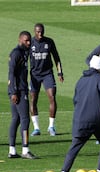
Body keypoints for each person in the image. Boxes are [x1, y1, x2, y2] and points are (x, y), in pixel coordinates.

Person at [29, 23, 64, 136]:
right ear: (35, 32)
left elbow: (56, 58)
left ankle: (51, 126)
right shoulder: (30, 43)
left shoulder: (49, 42)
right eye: (38, 32)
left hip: (47, 74)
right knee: (33, 99)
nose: (40, 34)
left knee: (52, 96)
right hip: (35, 75)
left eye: (42, 31)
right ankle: (36, 128)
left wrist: (60, 72)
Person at [8, 31, 37, 159]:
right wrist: (14, 92)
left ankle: (12, 150)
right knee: (25, 119)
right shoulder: (16, 53)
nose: (29, 43)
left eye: (30, 40)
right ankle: (25, 150)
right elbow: (11, 73)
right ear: (20, 39)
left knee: (16, 119)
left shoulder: (24, 52)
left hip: (18, 90)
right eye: (26, 40)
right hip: (19, 91)